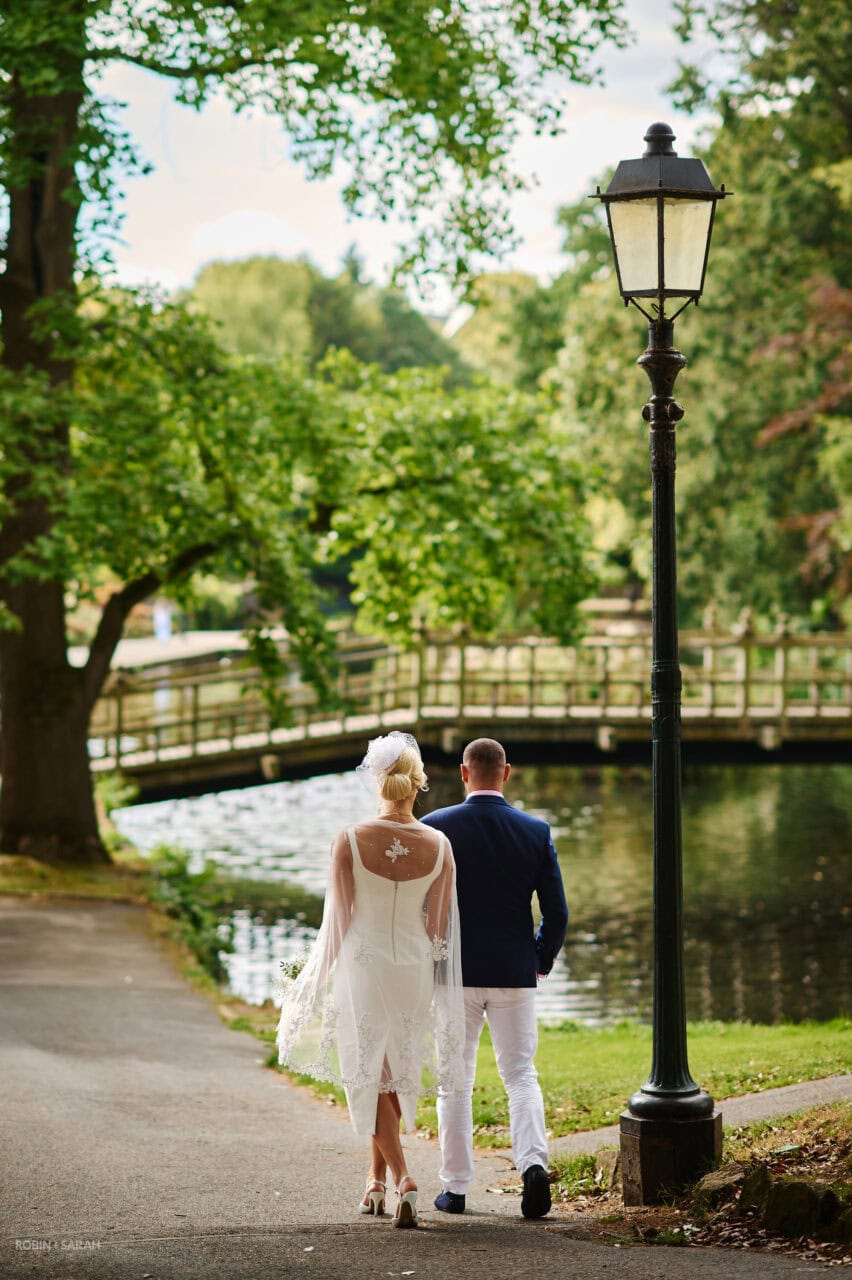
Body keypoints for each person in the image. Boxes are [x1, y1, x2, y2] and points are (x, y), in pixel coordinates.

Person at [276, 732, 464, 1228]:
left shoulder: (351, 839)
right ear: (417, 784)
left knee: (371, 1071)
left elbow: (338, 922)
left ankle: (403, 1178)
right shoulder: (440, 846)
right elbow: (438, 929)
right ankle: (374, 1182)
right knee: (392, 1068)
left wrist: (313, 977)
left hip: (364, 961)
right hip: (413, 966)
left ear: (377, 781)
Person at [422, 737, 568, 1220]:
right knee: (521, 1074)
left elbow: (419, 906)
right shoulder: (535, 830)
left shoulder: (435, 829)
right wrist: (538, 958)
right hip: (513, 971)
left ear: (464, 774)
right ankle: (532, 1167)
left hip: (454, 973)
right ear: (506, 773)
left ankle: (456, 1189)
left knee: (454, 1081)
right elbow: (557, 912)